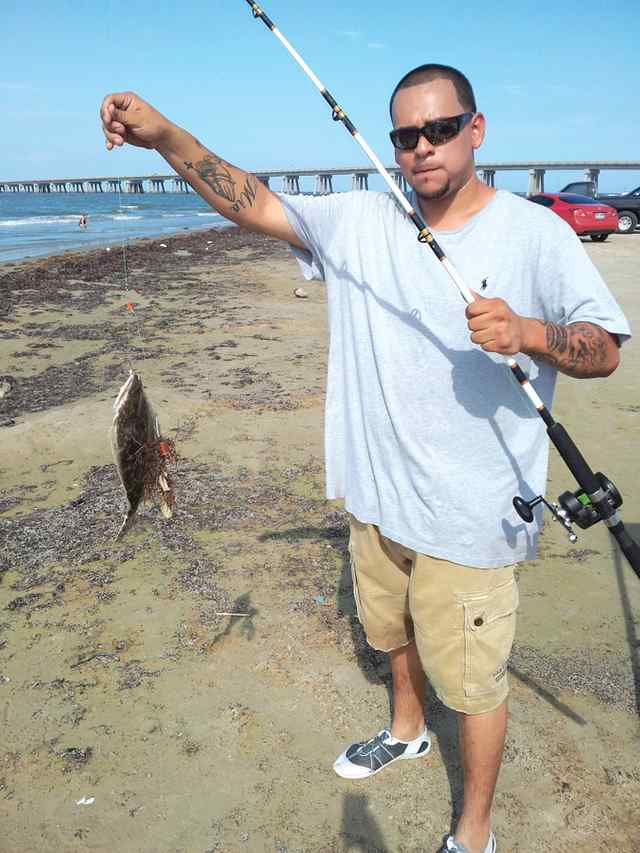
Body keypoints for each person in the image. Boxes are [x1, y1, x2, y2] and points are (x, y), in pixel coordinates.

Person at [100, 65, 630, 853]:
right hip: (376, 495)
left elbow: (605, 347)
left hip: (475, 511)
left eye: (440, 130)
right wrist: (167, 138)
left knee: (477, 682)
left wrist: (529, 333)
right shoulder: (358, 219)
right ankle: (407, 728)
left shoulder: (535, 233)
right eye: (405, 136)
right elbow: (250, 198)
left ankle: (473, 831)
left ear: (475, 130)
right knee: (390, 632)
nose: (422, 149)